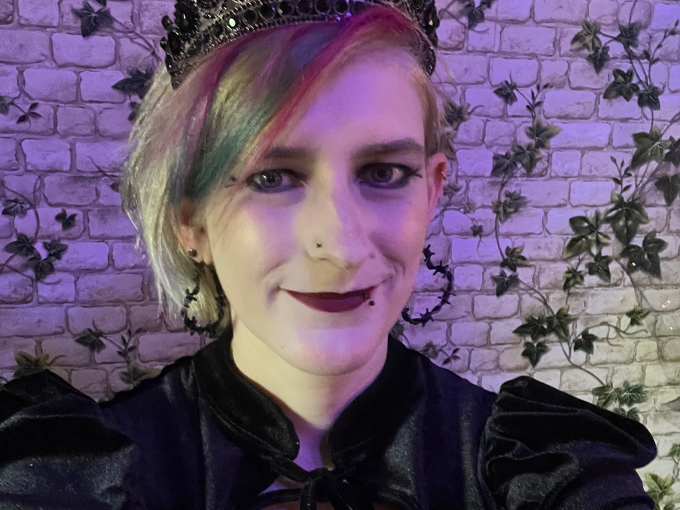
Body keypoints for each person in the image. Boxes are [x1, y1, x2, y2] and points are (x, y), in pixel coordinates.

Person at [0, 0, 657, 508]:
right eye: (272, 178)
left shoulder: (546, 467)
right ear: (189, 220)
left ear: (431, 190)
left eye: (383, 173)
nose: (340, 247)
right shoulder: (73, 474)